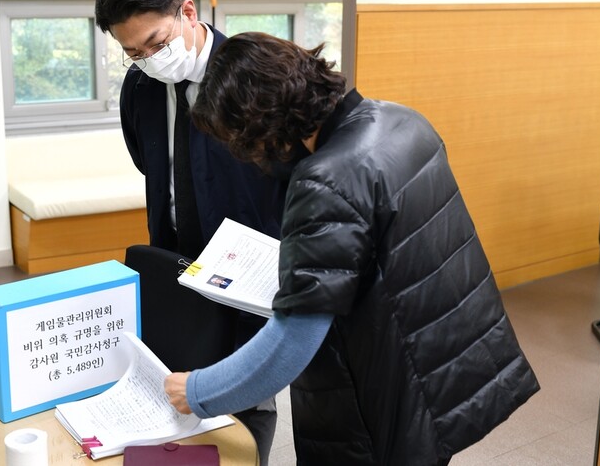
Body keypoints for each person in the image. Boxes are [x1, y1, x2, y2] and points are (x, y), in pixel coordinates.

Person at [164, 32, 540, 465]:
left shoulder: (325, 180)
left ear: (262, 124)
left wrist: (197, 391)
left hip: (387, 387)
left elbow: (291, 344)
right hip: (445, 359)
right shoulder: (402, 120)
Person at [95, 0, 286, 464]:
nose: (149, 58)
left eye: (157, 43)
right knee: (175, 383)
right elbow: (150, 164)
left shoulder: (252, 77)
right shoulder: (138, 87)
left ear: (186, 10)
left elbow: (289, 178)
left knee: (245, 393)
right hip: (175, 256)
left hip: (251, 268)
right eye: (132, 52)